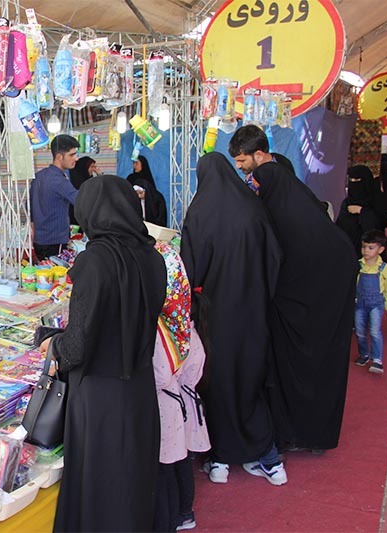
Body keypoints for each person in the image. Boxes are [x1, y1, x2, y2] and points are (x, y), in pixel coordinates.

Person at [38, 175, 166, 531]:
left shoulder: (95, 262)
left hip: (99, 394)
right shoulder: (153, 257)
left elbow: (78, 345)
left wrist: (55, 345)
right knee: (132, 478)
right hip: (139, 386)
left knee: (101, 482)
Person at [181, 152, 285, 486]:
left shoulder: (200, 211)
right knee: (251, 375)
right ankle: (266, 455)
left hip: (216, 313)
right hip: (254, 309)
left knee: (220, 380)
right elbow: (275, 256)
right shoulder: (252, 206)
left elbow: (190, 268)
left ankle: (220, 459)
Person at [252, 162, 358, 452]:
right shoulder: (308, 215)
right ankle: (316, 434)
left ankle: (295, 432)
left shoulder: (281, 219)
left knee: (294, 371)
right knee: (321, 369)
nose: (256, 193)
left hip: (299, 311)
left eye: (258, 187)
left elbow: (280, 266)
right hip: (322, 311)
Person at [151, 242, 210, 532]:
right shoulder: (183, 320)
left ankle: (177, 515)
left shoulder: (160, 328)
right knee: (181, 460)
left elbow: (161, 375)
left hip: (168, 406)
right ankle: (185, 511)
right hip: (183, 403)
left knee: (168, 465)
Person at [29, 134, 79, 261]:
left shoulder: (38, 177)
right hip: (55, 242)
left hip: (38, 241)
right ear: (59, 157)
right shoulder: (59, 181)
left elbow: (29, 206)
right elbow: (80, 200)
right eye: (72, 155)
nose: (76, 158)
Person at [353, 230, 387, 374]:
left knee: (375, 331)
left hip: (376, 304)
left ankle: (377, 360)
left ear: (380, 250)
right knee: (360, 331)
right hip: (360, 304)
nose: (366, 251)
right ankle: (364, 354)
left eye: (371, 248)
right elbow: (354, 285)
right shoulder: (359, 265)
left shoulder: (384, 268)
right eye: (364, 247)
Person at [336, 166, 384, 257]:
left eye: (357, 180)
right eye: (351, 180)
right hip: (348, 250)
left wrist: (362, 211)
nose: (354, 183)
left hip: (370, 252)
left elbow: (380, 224)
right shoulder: (347, 202)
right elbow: (340, 226)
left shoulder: (377, 200)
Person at [228, 124, 274, 194]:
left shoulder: (267, 181)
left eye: (242, 161)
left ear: (259, 155)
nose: (237, 166)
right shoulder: (280, 161)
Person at [126, 155, 167, 227]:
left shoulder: (147, 178)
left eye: (136, 163)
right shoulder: (131, 178)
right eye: (133, 163)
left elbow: (153, 197)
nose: (134, 165)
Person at [68, 156, 97, 227]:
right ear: (84, 167)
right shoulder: (76, 179)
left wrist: (99, 174)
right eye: (91, 167)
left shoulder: (86, 178)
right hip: (75, 215)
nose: (93, 170)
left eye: (94, 167)